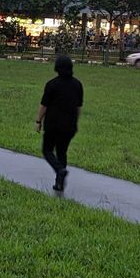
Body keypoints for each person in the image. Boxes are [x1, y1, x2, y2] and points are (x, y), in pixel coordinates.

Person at [35, 54, 83, 192]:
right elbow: (79, 107)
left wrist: (39, 120)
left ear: (56, 68)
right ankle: (59, 183)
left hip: (53, 124)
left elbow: (44, 105)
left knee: (47, 150)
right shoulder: (77, 85)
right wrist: (76, 122)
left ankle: (59, 170)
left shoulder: (52, 84)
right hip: (70, 126)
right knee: (62, 152)